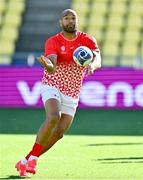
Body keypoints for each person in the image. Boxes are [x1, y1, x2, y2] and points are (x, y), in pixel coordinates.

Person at [15, 9, 101, 177]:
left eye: (73, 18)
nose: (70, 21)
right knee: (53, 117)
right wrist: (47, 65)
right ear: (61, 22)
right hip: (52, 84)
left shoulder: (87, 40)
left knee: (59, 133)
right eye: (66, 18)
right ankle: (33, 160)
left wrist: (93, 65)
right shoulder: (53, 41)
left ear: (77, 20)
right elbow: (52, 67)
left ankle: (27, 159)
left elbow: (97, 57)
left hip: (73, 91)